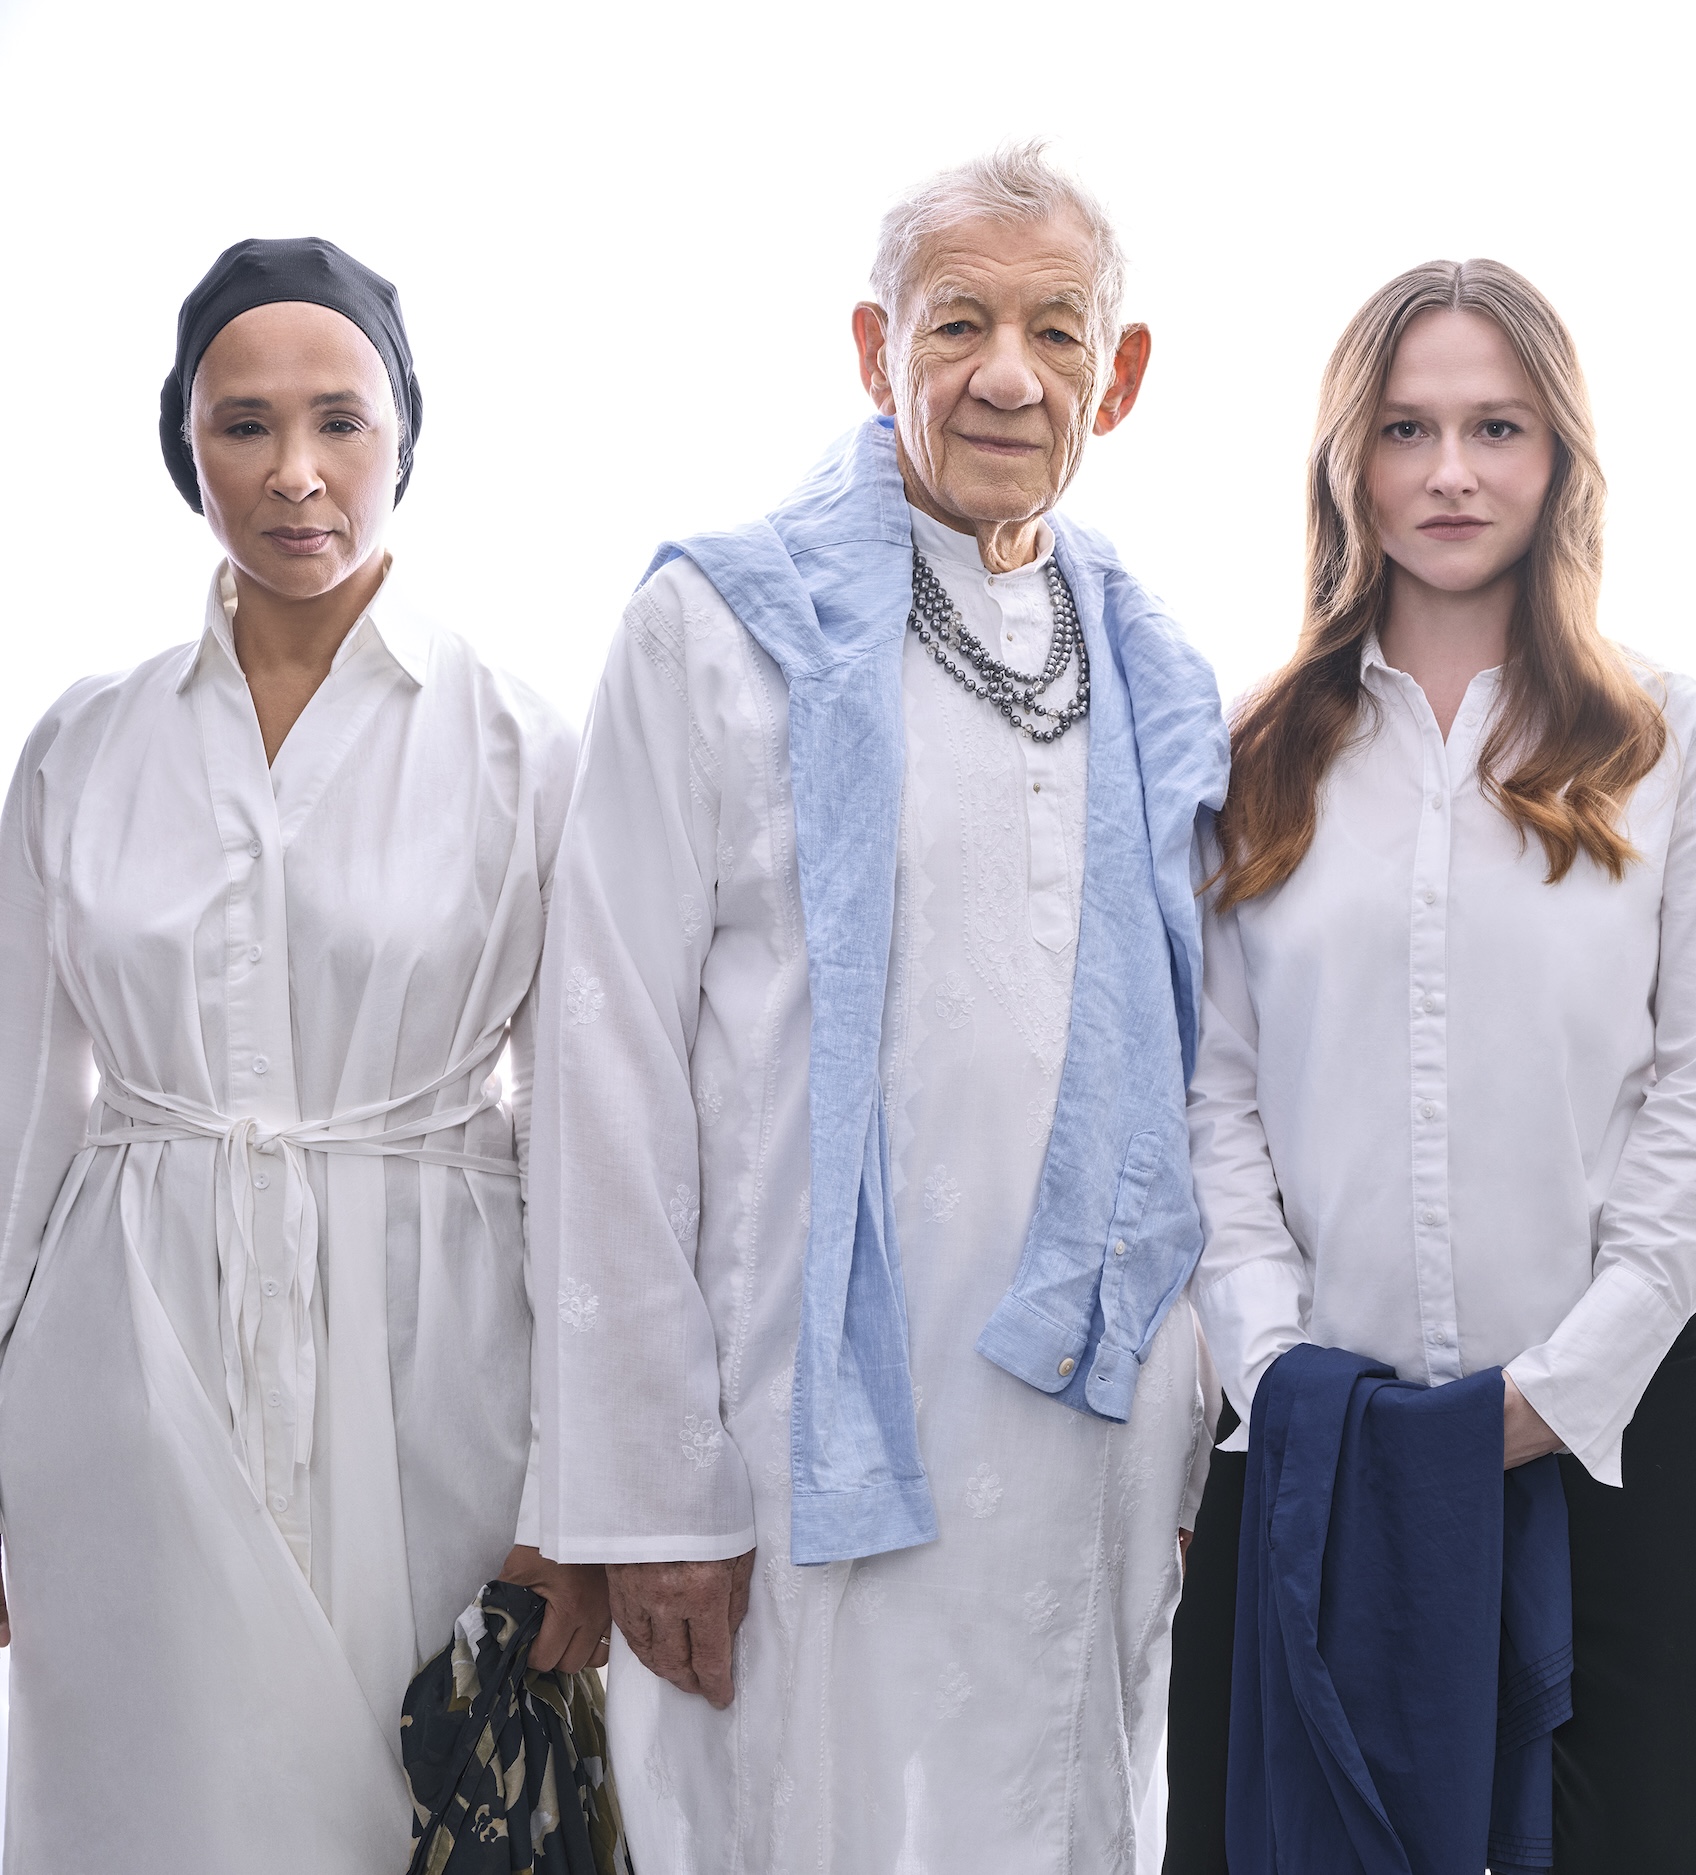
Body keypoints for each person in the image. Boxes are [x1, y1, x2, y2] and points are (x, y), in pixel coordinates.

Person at [526, 145, 1228, 1874]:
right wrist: (650, 1496)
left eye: (1057, 333)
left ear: (1117, 379)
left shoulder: (1153, 667)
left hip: (1081, 1444)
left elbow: (1212, 1071)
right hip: (790, 1450)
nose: (1007, 372)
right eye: (959, 323)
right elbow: (601, 1064)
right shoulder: (715, 628)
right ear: (873, 348)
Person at [0, 236, 601, 1870]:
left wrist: (583, 1489)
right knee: (141, 1802)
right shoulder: (83, 745)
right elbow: (15, 1119)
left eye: (340, 420)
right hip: (120, 1365)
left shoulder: (525, 746)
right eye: (241, 425)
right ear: (181, 446)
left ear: (406, 431)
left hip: (435, 1355)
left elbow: (587, 1137)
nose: (296, 475)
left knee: (403, 1802)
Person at [1175, 258, 1696, 1873]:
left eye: (1496, 427)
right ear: (1345, 463)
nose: (1450, 472)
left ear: (1559, 458)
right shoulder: (1246, 755)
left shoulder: (1673, 741)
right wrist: (1280, 1370)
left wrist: (1556, 1392)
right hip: (1317, 1455)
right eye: (1407, 428)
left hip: (1624, 1450)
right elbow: (1209, 1098)